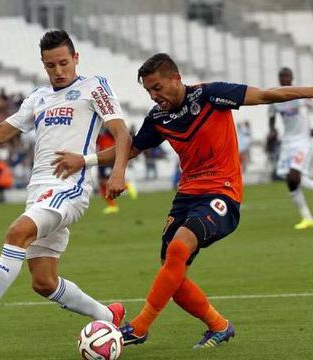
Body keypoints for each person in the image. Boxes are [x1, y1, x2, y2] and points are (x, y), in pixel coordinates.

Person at [52, 53, 313, 349]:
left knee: (178, 249)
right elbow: (132, 149)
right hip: (187, 196)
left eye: (158, 87)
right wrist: (85, 160)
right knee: (171, 273)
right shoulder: (159, 117)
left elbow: (268, 95)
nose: (154, 95)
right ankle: (219, 325)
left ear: (176, 79)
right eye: (149, 91)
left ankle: (139, 327)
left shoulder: (211, 95)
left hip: (222, 193)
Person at [0, 30, 131, 335]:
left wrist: (117, 172)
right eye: (51, 65)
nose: (59, 71)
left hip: (69, 188)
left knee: (16, 232)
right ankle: (107, 315)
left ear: (76, 58)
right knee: (43, 282)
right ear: (43, 64)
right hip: (39, 191)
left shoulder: (94, 87)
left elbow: (121, 134)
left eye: (64, 63)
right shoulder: (38, 97)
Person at [268, 67, 313, 229]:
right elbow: (271, 118)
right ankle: (307, 218)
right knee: (291, 181)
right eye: (281, 76)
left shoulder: (300, 95)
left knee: (294, 175)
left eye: (287, 76)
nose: (284, 79)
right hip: (287, 143)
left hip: (303, 141)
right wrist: (272, 131)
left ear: (292, 77)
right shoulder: (276, 98)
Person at [97, 127, 137, 214]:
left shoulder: (110, 134)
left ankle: (127, 186)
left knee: (105, 181)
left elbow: (121, 137)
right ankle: (112, 205)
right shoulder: (100, 135)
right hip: (101, 159)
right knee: (101, 183)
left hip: (108, 160)